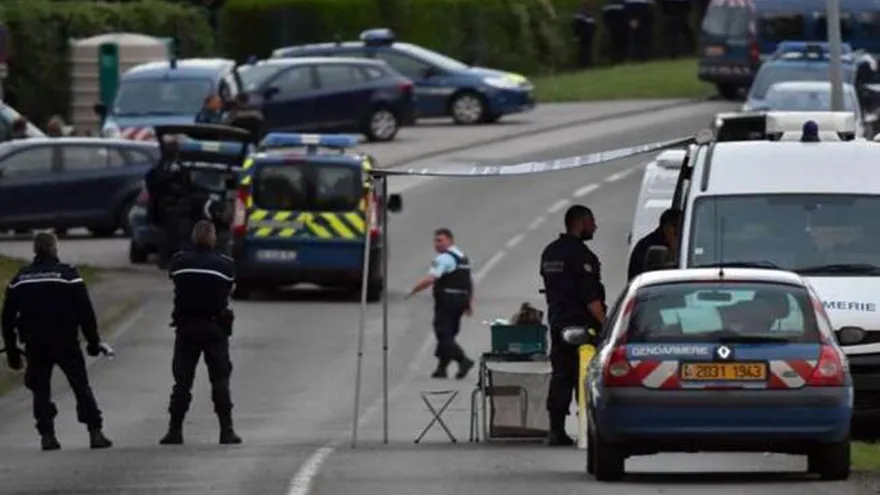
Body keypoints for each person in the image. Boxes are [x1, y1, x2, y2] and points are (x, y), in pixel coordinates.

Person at [1, 232, 114, 451]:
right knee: (80, 386)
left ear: (35, 250)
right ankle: (95, 432)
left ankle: (47, 435)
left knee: (40, 389)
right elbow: (86, 313)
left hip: (35, 343)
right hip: (65, 341)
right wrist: (93, 342)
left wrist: (12, 350)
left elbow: (6, 318)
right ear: (54, 248)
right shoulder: (69, 276)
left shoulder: (20, 279)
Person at [160, 220, 241, 445]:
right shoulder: (225, 265)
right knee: (220, 379)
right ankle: (227, 430)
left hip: (187, 328)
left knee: (182, 382)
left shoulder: (179, 262)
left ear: (194, 237)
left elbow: (173, 279)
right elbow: (230, 288)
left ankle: (174, 430)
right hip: (215, 328)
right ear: (213, 237)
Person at [540, 205, 606, 446]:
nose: (595, 227)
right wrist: (605, 324)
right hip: (581, 326)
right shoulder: (581, 256)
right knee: (587, 377)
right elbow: (590, 297)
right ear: (580, 223)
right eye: (591, 222)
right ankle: (587, 429)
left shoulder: (550, 253)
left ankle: (555, 429)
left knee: (561, 376)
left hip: (558, 323)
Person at [405, 228, 475, 380]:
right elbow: (468, 282)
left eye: (440, 240)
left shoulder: (444, 258)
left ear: (450, 240)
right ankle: (441, 369)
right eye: (435, 241)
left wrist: (414, 290)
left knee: (443, 333)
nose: (437, 244)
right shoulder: (462, 258)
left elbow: (431, 279)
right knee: (449, 334)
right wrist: (469, 302)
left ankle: (463, 360)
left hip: (447, 301)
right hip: (460, 301)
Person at [627, 208, 681, 280]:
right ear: (668, 227)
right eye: (677, 227)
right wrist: (673, 241)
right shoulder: (648, 246)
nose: (680, 232)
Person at [572, 2, 597, 68]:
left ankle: (587, 64)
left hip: (588, 36)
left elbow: (593, 26)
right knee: (583, 51)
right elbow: (577, 26)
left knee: (587, 51)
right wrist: (576, 35)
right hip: (583, 36)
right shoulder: (581, 14)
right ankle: (584, 65)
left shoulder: (590, 15)